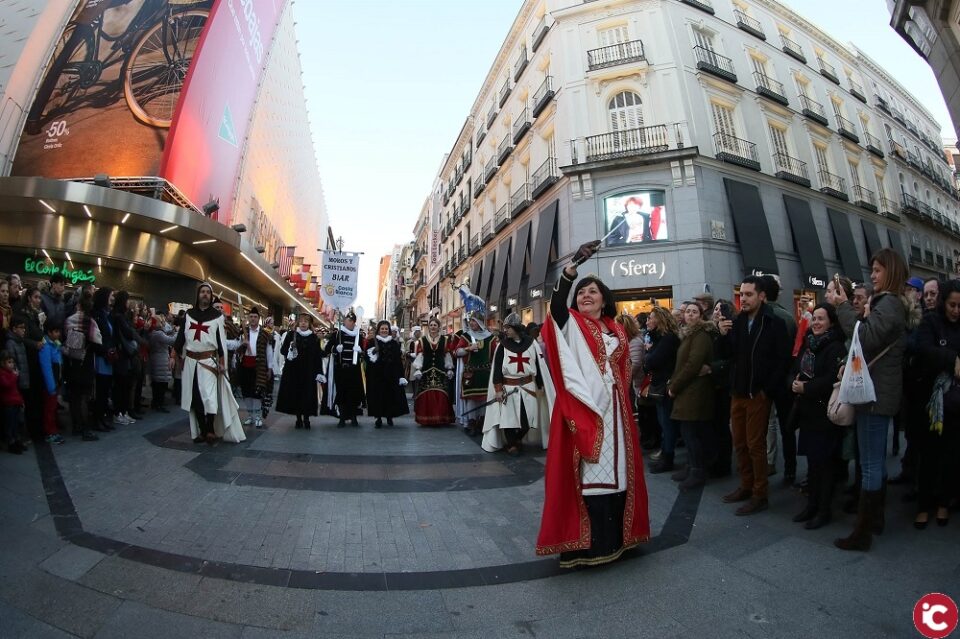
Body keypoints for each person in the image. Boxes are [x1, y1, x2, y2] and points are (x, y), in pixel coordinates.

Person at [537, 241, 650, 568]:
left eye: (593, 291)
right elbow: (557, 305)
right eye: (582, 291)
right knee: (589, 471)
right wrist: (573, 267)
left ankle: (617, 540)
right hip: (584, 408)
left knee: (618, 472)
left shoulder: (616, 329)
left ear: (604, 299)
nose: (586, 295)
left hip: (617, 412)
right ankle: (585, 545)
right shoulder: (570, 323)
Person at [829, 248, 914, 551]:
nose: (873, 276)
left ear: (890, 272)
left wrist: (842, 306)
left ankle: (862, 531)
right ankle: (873, 520)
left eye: (878, 270)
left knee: (870, 464)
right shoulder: (890, 303)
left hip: (875, 395)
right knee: (872, 461)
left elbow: (863, 338)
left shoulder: (889, 303)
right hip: (879, 391)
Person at [716, 275, 790, 516]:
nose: (743, 299)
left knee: (755, 445)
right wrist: (722, 335)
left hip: (758, 393)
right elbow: (728, 355)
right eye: (742, 294)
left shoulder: (773, 322)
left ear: (761, 296)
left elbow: (782, 361)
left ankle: (760, 494)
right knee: (739, 442)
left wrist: (766, 390)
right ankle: (746, 486)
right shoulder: (737, 322)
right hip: (738, 391)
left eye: (748, 294)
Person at [788, 304, 846, 529]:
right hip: (807, 412)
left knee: (825, 464)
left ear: (831, 321)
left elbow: (832, 378)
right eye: (814, 319)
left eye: (821, 319)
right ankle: (811, 505)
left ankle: (823, 509)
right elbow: (796, 366)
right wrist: (793, 382)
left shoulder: (836, 347)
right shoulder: (808, 342)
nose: (816, 323)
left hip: (825, 412)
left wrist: (807, 388)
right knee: (812, 463)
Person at [913, 278, 960, 529]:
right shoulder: (930, 321)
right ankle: (924, 505)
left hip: (955, 403)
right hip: (931, 401)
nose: (956, 310)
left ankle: (943, 502)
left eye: (959, 306)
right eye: (952, 305)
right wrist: (952, 358)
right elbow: (923, 350)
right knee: (929, 455)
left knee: (951, 456)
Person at [173, 282, 245, 444]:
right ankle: (204, 431)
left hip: (209, 361)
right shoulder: (189, 315)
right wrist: (174, 354)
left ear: (210, 296)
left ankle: (210, 429)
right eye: (202, 292)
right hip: (191, 361)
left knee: (209, 397)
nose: (205, 294)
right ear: (198, 295)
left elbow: (220, 342)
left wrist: (222, 362)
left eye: (207, 292)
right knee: (195, 398)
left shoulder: (217, 317)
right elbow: (181, 338)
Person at [482, 313, 548, 454]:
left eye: (508, 328)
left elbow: (539, 364)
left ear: (515, 328)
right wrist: (498, 389)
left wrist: (541, 384)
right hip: (508, 386)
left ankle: (517, 440)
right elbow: (497, 369)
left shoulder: (531, 343)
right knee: (508, 419)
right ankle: (512, 444)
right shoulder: (502, 346)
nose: (505, 330)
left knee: (528, 419)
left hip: (528, 387)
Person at [668, 302, 714, 490]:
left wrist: (674, 386)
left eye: (695, 312)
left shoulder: (700, 335)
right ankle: (691, 466)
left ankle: (697, 471)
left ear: (701, 316)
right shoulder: (689, 334)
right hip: (687, 390)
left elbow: (693, 364)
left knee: (691, 434)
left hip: (695, 391)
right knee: (688, 433)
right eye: (688, 311)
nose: (690, 315)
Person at [760, 274, 799, 485]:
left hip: (771, 381)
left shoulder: (767, 317)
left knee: (768, 424)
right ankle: (790, 469)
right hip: (784, 380)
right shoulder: (787, 317)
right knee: (786, 427)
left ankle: (769, 462)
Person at [643, 306, 681, 473]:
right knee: (664, 422)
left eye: (650, 318)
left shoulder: (668, 338)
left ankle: (668, 457)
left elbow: (653, 361)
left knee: (667, 423)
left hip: (665, 386)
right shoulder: (661, 338)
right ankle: (666, 455)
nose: (648, 321)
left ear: (659, 319)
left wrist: (648, 356)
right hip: (661, 384)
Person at [276, 312, 324, 429]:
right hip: (294, 371)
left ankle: (306, 418)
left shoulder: (313, 338)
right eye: (301, 321)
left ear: (309, 324)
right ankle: (298, 418)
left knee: (307, 394)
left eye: (306, 321)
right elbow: (283, 351)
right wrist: (290, 348)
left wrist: (319, 372)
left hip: (308, 371)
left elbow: (317, 356)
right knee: (296, 394)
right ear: (298, 322)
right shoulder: (291, 335)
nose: (303, 323)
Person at [63, 291, 100, 440]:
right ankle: (86, 429)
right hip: (85, 363)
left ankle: (76, 427)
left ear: (78, 305)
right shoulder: (90, 322)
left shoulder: (68, 320)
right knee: (85, 397)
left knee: (74, 397)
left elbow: (64, 336)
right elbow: (98, 340)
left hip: (71, 362)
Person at [453, 312, 496, 435]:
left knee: (484, 399)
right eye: (470, 321)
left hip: (485, 374)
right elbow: (456, 352)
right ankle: (471, 423)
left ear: (480, 323)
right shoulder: (466, 336)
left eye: (474, 321)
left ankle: (481, 423)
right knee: (471, 399)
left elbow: (495, 355)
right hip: (470, 374)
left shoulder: (490, 338)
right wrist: (468, 349)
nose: (471, 323)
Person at [411, 317, 456, 426]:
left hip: (440, 371)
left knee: (441, 394)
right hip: (426, 371)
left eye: (435, 325)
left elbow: (447, 355)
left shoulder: (445, 340)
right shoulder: (422, 340)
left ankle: (441, 417)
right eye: (431, 325)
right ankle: (427, 418)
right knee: (427, 394)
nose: (432, 327)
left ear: (439, 327)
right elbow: (420, 355)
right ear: (428, 327)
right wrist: (418, 369)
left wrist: (449, 368)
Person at [324, 310, 365, 427]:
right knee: (341, 393)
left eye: (353, 321)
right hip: (341, 369)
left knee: (354, 394)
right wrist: (335, 349)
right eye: (349, 320)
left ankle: (353, 417)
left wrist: (360, 351)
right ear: (345, 321)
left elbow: (364, 353)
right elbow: (327, 349)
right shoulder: (338, 334)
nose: (351, 323)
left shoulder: (358, 335)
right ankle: (341, 418)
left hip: (354, 370)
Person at [365, 320, 409, 428]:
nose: (384, 331)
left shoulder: (394, 343)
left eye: (386, 329)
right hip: (377, 375)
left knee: (390, 396)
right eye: (382, 329)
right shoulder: (372, 342)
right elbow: (367, 358)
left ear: (389, 330)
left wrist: (401, 375)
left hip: (391, 375)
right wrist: (372, 357)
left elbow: (398, 361)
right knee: (378, 397)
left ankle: (389, 417)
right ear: (378, 330)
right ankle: (378, 418)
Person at [237, 307, 274, 429]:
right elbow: (236, 348)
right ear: (248, 318)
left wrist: (269, 368)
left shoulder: (264, 334)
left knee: (257, 391)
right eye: (251, 317)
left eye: (255, 317)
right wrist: (242, 344)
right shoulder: (243, 332)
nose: (253, 319)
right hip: (245, 365)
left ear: (259, 319)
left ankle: (258, 416)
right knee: (246, 392)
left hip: (259, 366)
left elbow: (269, 352)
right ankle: (250, 415)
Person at [110, 291, 141, 425]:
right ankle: (119, 413)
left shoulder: (119, 315)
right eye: (127, 300)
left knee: (124, 385)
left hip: (124, 353)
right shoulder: (118, 316)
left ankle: (122, 412)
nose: (129, 303)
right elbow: (128, 333)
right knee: (121, 385)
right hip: (121, 353)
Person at [90, 288, 116, 431]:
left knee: (105, 391)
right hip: (100, 357)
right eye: (111, 296)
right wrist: (106, 350)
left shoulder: (106, 315)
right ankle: (97, 419)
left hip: (108, 357)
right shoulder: (98, 315)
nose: (112, 298)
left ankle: (102, 418)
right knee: (100, 391)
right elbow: (97, 337)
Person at [4, 317, 30, 450]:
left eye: (24, 328)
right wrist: (16, 377)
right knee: (13, 416)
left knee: (20, 413)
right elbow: (12, 364)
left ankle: (18, 438)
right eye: (21, 328)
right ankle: (13, 440)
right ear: (14, 329)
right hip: (16, 383)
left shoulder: (20, 342)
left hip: (22, 381)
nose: (23, 331)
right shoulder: (11, 343)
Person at [38, 321, 65, 444]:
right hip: (50, 385)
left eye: (58, 331)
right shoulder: (46, 347)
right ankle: (49, 433)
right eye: (55, 332)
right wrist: (51, 386)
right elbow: (46, 368)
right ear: (49, 332)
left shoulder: (55, 345)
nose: (58, 334)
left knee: (53, 408)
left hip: (55, 382)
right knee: (49, 410)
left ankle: (53, 430)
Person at [148, 317, 177, 412]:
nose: (163, 323)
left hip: (156, 359)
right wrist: (177, 333)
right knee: (161, 384)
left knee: (157, 383)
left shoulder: (152, 333)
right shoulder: (158, 334)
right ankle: (159, 404)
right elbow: (171, 340)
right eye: (161, 321)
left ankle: (156, 403)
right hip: (161, 360)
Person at [0, 351, 25, 454]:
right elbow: (7, 385)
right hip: (8, 403)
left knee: (16, 423)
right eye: (9, 362)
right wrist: (15, 376)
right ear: (3, 363)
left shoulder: (11, 373)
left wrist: (21, 401)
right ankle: (11, 443)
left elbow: (15, 390)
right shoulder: (3, 374)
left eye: (12, 362)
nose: (12, 364)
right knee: (10, 424)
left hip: (15, 402)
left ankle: (17, 441)